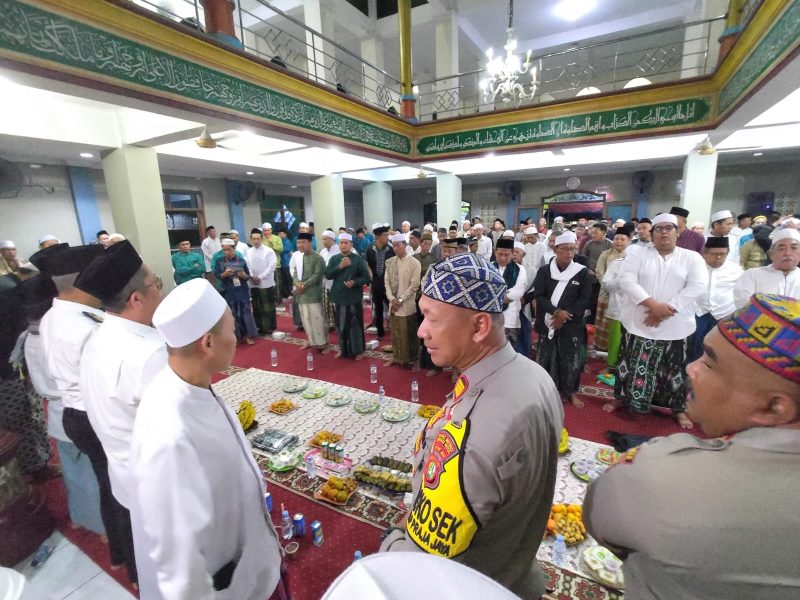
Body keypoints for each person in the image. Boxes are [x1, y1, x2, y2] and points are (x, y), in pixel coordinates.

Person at [584, 294, 800, 600]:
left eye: (709, 363)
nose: (690, 369)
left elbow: (600, 519)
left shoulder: (665, 476)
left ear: (775, 407)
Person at [381, 253, 563, 598]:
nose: (421, 330)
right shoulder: (535, 375)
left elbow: (420, 571)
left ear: (479, 327)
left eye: (432, 318)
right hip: (514, 569)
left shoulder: (471, 434)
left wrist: (390, 541)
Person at [129, 278, 285, 600]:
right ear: (209, 343)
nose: (236, 338)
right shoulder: (169, 434)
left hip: (250, 557)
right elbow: (174, 557)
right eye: (232, 330)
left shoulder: (192, 385)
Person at [37, 244, 137, 569]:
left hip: (74, 413)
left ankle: (120, 554)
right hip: (94, 414)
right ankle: (136, 563)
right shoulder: (85, 326)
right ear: (83, 280)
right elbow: (112, 380)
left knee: (107, 485)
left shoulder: (53, 316)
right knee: (124, 490)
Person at [76, 240, 166, 584]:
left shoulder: (95, 338)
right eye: (157, 283)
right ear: (137, 299)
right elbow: (177, 433)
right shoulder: (150, 353)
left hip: (124, 474)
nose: (161, 291)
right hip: (159, 484)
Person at [606, 213, 708, 428]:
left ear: (678, 233)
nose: (664, 232)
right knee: (628, 364)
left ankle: (678, 408)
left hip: (676, 325)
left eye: (669, 228)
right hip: (639, 321)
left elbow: (698, 285)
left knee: (675, 369)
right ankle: (621, 398)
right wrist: (654, 306)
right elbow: (627, 281)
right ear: (652, 234)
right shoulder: (637, 254)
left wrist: (667, 309)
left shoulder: (692, 258)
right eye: (659, 229)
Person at [534, 231, 592, 408]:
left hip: (571, 323)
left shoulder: (581, 272)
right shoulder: (544, 271)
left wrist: (565, 315)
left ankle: (570, 392)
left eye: (572, 249)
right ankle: (546, 391)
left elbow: (585, 298)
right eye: (565, 249)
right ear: (555, 250)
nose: (569, 253)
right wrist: (556, 312)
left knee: (570, 359)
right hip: (548, 321)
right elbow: (539, 295)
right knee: (546, 357)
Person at [689, 237, 743, 361]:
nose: (718, 257)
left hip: (724, 313)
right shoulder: (695, 267)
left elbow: (742, 292)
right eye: (714, 254)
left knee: (721, 344)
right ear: (705, 253)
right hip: (699, 312)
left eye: (722, 254)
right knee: (697, 342)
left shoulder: (735, 270)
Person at [325, 233, 371, 359]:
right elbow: (328, 275)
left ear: (351, 244)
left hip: (353, 297)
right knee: (340, 325)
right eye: (341, 243)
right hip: (339, 297)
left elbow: (366, 277)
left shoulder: (358, 260)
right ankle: (343, 350)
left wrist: (354, 282)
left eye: (346, 243)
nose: (343, 245)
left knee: (355, 324)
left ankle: (358, 350)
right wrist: (340, 267)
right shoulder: (334, 259)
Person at [733, 228, 800, 307]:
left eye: (794, 248)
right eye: (781, 249)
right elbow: (744, 307)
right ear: (771, 254)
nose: (788, 253)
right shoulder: (752, 275)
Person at [384, 233, 421, 368]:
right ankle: (397, 357)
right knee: (395, 332)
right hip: (393, 304)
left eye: (398, 245)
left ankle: (413, 359)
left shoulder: (414, 263)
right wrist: (392, 299)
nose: (395, 248)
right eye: (393, 246)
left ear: (405, 245)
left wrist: (400, 299)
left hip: (407, 305)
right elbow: (386, 283)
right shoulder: (390, 262)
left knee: (409, 333)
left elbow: (414, 285)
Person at [593, 227, 630, 353]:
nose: (619, 242)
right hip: (606, 295)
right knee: (604, 323)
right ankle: (601, 348)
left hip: (624, 298)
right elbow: (599, 272)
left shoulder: (632, 256)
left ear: (628, 241)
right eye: (616, 239)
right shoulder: (605, 254)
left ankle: (619, 350)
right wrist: (608, 286)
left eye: (622, 239)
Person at [214, 239, 257, 345]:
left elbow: (247, 276)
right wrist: (225, 274)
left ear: (234, 249)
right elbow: (217, 275)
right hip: (228, 291)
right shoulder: (219, 261)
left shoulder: (241, 260)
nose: (226, 252)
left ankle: (249, 335)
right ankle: (237, 337)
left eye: (228, 249)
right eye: (224, 250)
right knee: (232, 315)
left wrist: (243, 275)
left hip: (242, 290)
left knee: (246, 314)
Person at [293, 232, 328, 351]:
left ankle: (322, 343)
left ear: (310, 243)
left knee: (317, 319)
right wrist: (297, 283)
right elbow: (295, 273)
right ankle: (312, 341)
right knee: (305, 319)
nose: (300, 245)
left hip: (314, 294)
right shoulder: (299, 257)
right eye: (298, 242)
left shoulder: (318, 258)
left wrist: (304, 285)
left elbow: (317, 275)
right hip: (301, 294)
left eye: (303, 242)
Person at [492, 238, 527, 350]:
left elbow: (518, 290)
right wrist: (502, 297)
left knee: (509, 351)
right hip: (491, 317)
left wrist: (495, 298)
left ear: (512, 254)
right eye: (500, 254)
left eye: (507, 255)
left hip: (511, 316)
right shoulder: (488, 266)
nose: (503, 258)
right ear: (495, 252)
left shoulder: (520, 269)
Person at [246, 228, 277, 335]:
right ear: (251, 239)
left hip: (266, 283)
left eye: (258, 238)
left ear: (261, 238)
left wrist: (260, 277)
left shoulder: (269, 251)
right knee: (256, 306)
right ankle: (258, 326)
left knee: (267, 306)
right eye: (254, 239)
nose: (256, 241)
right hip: (253, 283)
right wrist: (252, 276)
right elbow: (247, 265)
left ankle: (269, 328)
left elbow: (271, 267)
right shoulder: (249, 251)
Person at [365, 225, 395, 339]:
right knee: (378, 309)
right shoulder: (370, 249)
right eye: (385, 235)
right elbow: (366, 263)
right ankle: (380, 333)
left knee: (392, 308)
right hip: (376, 282)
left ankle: (394, 331)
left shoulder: (391, 249)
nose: (387, 237)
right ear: (378, 236)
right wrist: (371, 276)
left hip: (388, 283)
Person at [581, 223, 613, 324]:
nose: (593, 235)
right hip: (591, 278)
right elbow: (583, 259)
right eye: (592, 233)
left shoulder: (610, 245)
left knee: (602, 301)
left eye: (596, 233)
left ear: (604, 233)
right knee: (591, 301)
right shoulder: (589, 244)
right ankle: (589, 322)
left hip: (604, 278)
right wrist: (588, 269)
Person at [318, 230, 340, 330]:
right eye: (323, 239)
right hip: (325, 282)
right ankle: (330, 324)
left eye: (325, 239)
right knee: (327, 304)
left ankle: (339, 323)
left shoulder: (338, 250)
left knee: (335, 304)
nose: (323, 241)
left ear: (332, 239)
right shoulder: (323, 252)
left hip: (335, 282)